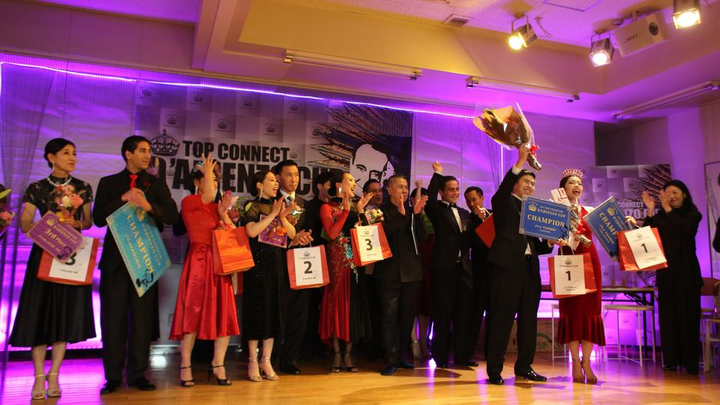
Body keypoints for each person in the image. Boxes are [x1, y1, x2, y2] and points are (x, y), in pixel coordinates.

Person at [9, 138, 95, 400]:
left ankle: (55, 374)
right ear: (51, 157)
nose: (72, 158)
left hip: (70, 256)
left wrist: (74, 223)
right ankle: (38, 377)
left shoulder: (82, 187)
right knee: (39, 314)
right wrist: (48, 224)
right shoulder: (37, 188)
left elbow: (88, 222)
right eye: (66, 153)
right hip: (44, 253)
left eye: (74, 153)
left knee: (63, 316)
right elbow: (25, 222)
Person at [93, 135, 179, 394]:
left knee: (142, 321)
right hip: (116, 262)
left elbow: (172, 216)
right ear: (127, 154)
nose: (147, 155)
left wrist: (148, 205)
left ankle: (138, 374)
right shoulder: (109, 183)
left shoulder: (155, 184)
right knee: (113, 320)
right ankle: (112, 377)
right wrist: (124, 198)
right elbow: (98, 218)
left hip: (145, 259)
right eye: (142, 150)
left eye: (149, 150)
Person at [485, 144, 553, 385]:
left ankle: (524, 366)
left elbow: (535, 246)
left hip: (529, 271)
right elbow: (501, 191)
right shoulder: (504, 202)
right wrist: (520, 162)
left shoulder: (531, 210)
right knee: (502, 320)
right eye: (526, 181)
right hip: (507, 269)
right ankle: (494, 369)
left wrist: (550, 242)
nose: (530, 186)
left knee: (528, 320)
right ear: (515, 183)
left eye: (533, 184)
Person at [169, 154, 239, 387]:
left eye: (216, 181)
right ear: (197, 182)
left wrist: (224, 214)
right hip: (199, 262)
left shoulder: (219, 207)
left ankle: (218, 364)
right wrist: (208, 170)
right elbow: (207, 194)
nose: (214, 184)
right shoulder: (190, 202)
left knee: (224, 314)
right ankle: (185, 366)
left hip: (220, 264)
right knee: (191, 315)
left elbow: (232, 235)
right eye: (209, 179)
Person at [632, 180, 703, 375]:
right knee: (668, 321)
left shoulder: (693, 214)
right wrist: (650, 210)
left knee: (688, 320)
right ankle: (670, 360)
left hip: (687, 275)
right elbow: (647, 236)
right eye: (668, 193)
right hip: (666, 276)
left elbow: (683, 230)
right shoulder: (661, 216)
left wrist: (666, 209)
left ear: (684, 194)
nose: (671, 196)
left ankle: (690, 362)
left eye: (675, 192)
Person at [243, 170, 297, 382]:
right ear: (259, 185)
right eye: (272, 180)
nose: (276, 183)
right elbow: (251, 231)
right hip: (257, 267)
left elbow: (291, 235)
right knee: (256, 313)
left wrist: (282, 217)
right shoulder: (252, 205)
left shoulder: (279, 205)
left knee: (274, 313)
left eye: (276, 180)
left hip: (276, 265)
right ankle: (252, 360)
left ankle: (266, 360)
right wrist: (274, 215)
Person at [373, 174, 428, 375]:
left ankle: (401, 356)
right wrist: (402, 215)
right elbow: (384, 235)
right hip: (389, 273)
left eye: (406, 187)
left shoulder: (413, 212)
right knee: (389, 317)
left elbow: (423, 236)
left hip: (412, 273)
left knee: (407, 317)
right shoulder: (380, 212)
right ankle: (390, 359)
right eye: (400, 187)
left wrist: (418, 215)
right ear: (389, 190)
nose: (404, 191)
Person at [318, 172, 374, 372]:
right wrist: (346, 210)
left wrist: (360, 211)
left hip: (356, 264)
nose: (353, 183)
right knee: (336, 305)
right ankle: (336, 353)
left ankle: (348, 353)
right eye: (349, 180)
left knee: (352, 306)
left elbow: (367, 234)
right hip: (337, 264)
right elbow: (332, 234)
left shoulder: (357, 207)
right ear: (338, 185)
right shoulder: (327, 207)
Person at [555, 170, 605, 384]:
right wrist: (556, 239)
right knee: (572, 313)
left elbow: (610, 229)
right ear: (563, 188)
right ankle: (575, 361)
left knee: (589, 313)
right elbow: (548, 237)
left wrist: (629, 221)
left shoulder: (590, 211)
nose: (576, 185)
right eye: (571, 182)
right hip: (568, 262)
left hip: (590, 263)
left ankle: (587, 362)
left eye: (579, 183)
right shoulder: (556, 211)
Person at [424, 162, 476, 368]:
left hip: (463, 270)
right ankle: (441, 357)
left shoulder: (465, 213)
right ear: (442, 192)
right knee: (443, 315)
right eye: (451, 189)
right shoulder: (436, 210)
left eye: (457, 189)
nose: (455, 192)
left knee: (464, 314)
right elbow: (428, 199)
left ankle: (462, 356)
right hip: (443, 269)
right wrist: (437, 174)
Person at [272, 159, 311, 375]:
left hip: (301, 265)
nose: (294, 179)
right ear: (278, 177)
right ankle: (270, 358)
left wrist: (305, 237)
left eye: (296, 175)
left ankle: (290, 359)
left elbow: (312, 231)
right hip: (276, 264)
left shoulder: (305, 203)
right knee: (277, 313)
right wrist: (290, 241)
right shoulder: (272, 201)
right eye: (289, 175)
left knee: (299, 314)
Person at [299, 171, 334, 361]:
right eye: (330, 184)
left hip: (335, 259)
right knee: (311, 303)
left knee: (329, 304)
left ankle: (327, 344)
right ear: (320, 186)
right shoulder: (309, 206)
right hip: (314, 258)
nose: (333, 188)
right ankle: (309, 346)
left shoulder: (337, 207)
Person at [464, 186, 492, 360]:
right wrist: (478, 221)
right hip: (477, 272)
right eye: (468, 201)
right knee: (474, 314)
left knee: (494, 315)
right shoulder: (468, 219)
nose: (472, 204)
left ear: (482, 198)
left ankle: (492, 353)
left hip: (495, 272)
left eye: (474, 199)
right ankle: (468, 353)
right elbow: (471, 243)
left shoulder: (494, 215)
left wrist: (485, 220)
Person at [411, 185, 434, 359]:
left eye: (426, 199)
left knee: (426, 307)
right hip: (412, 265)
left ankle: (424, 341)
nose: (422, 202)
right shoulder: (409, 216)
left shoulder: (432, 218)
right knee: (412, 306)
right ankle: (413, 342)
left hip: (430, 266)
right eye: (420, 198)